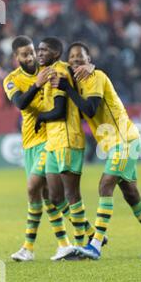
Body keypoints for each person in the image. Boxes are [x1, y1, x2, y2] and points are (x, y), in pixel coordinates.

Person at [50, 42, 141, 260]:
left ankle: (95, 245)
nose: (76, 59)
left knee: (105, 185)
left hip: (124, 139)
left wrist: (73, 84)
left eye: (81, 56)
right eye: (73, 57)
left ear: (89, 59)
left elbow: (90, 108)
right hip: (115, 143)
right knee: (131, 194)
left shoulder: (95, 77)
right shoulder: (75, 81)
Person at [2, 35, 71, 261]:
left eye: (31, 52)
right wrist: (37, 84)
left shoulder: (50, 68)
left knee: (33, 188)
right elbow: (20, 103)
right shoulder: (11, 80)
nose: (31, 57)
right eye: (25, 54)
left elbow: (68, 68)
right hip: (29, 142)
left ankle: (84, 232)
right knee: (43, 194)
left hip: (50, 139)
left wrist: (87, 66)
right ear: (16, 57)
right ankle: (61, 244)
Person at [35, 37, 96, 260]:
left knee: (71, 194)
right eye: (38, 49)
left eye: (45, 49)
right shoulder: (50, 70)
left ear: (56, 52)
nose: (40, 52)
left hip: (68, 139)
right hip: (54, 141)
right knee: (53, 196)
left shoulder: (59, 72)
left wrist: (40, 117)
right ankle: (90, 233)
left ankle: (81, 245)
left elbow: (60, 111)